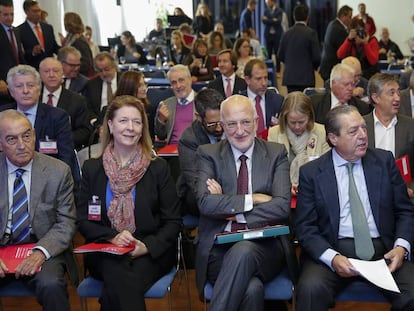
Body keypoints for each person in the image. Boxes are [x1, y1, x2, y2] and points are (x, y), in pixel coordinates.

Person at [295, 104, 414, 311]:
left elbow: (405, 211)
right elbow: (305, 227)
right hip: (334, 248)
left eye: (364, 128)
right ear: (333, 138)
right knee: (310, 290)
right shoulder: (312, 173)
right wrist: (332, 258)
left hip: (384, 250)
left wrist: (401, 247)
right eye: (353, 131)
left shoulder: (384, 161)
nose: (362, 136)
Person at [77, 95, 181, 311]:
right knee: (119, 272)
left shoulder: (158, 168)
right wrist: (112, 237)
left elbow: (173, 221)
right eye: (123, 121)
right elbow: (83, 221)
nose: (131, 128)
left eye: (137, 122)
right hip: (106, 250)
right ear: (110, 125)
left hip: (150, 251)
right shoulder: (92, 169)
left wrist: (146, 246)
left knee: (119, 285)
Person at [195, 94, 295, 311]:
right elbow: (205, 203)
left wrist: (231, 207)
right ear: (222, 125)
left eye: (245, 122)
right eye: (231, 124)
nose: (239, 131)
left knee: (243, 250)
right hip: (219, 249)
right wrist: (254, 199)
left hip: (266, 247)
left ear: (257, 121)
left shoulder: (276, 153)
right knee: (251, 289)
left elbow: (281, 207)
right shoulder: (208, 155)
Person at [0, 109, 78, 311]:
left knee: (51, 285)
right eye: (11, 139)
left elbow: (66, 222)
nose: (21, 145)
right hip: (2, 249)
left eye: (26, 136)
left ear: (34, 135)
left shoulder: (58, 171)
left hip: (41, 245)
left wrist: (40, 253)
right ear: (0, 144)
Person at [1, 64, 77, 181]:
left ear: (39, 89)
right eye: (19, 86)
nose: (25, 91)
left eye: (30, 85)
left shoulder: (57, 116)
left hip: (47, 178)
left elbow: (66, 157)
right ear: (11, 91)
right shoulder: (2, 115)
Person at [268, 92, 330, 195]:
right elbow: (271, 170)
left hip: (315, 192)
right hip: (283, 192)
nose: (297, 126)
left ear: (309, 116)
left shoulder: (322, 132)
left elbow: (325, 169)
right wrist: (287, 187)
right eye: (292, 122)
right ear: (285, 118)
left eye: (301, 122)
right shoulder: (274, 133)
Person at [364, 73, 414, 197]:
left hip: (404, 197)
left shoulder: (410, 126)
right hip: (368, 195)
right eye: (391, 93)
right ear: (376, 98)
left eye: (398, 92)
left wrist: (411, 189)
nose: (397, 98)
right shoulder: (361, 126)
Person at [178, 88, 224, 216]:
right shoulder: (188, 139)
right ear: (198, 117)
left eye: (221, 121)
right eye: (212, 124)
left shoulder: (231, 127)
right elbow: (196, 183)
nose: (220, 128)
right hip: (199, 194)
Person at [38, 57, 90, 150]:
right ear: (40, 75)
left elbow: (84, 131)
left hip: (66, 150)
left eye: (56, 71)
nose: (51, 75)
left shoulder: (77, 100)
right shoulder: (33, 98)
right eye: (46, 71)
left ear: (62, 74)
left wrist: (61, 141)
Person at [278, 4, 320, 93]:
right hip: (306, 77)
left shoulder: (286, 33)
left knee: (292, 103)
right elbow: (316, 57)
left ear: (294, 17)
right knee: (306, 104)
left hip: (290, 77)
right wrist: (314, 67)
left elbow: (280, 55)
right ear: (308, 17)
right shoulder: (311, 33)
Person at [154, 64, 196, 145]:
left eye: (181, 80)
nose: (178, 86)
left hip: (196, 150)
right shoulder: (166, 104)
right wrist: (161, 120)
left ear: (190, 80)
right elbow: (161, 136)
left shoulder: (202, 101)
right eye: (174, 82)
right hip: (172, 152)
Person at [240, 59, 284, 136]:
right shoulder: (238, 102)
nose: (264, 83)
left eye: (266, 78)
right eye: (258, 79)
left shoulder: (278, 101)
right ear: (247, 80)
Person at [17, 0, 60, 70]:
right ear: (26, 12)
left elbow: (54, 47)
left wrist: (64, 50)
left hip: (50, 68)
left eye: (39, 11)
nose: (38, 14)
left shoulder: (48, 28)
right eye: (34, 11)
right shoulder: (19, 30)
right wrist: (33, 52)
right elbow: (20, 54)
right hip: (33, 69)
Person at [114, 70, 155, 141]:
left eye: (144, 84)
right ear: (129, 87)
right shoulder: (112, 109)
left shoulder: (148, 109)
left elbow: (151, 138)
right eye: (140, 85)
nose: (144, 88)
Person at [0, 0, 25, 106]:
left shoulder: (16, 31)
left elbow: (19, 57)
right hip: (3, 86)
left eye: (12, 14)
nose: (9, 17)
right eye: (5, 14)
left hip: (18, 83)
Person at [85, 52, 120, 126]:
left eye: (107, 69)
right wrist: (95, 123)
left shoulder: (124, 80)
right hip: (100, 122)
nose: (104, 74)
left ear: (114, 66)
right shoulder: (91, 84)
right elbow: (88, 108)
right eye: (100, 71)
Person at [319, 5, 353, 81]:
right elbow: (344, 51)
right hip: (331, 68)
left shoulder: (333, 24)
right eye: (349, 17)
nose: (351, 20)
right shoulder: (339, 29)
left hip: (327, 66)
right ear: (343, 16)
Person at [61, 12, 94, 77]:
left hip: (80, 76)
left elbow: (87, 63)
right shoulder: (70, 38)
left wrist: (72, 66)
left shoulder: (79, 41)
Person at [262, 0, 284, 70]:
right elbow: (263, 21)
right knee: (268, 53)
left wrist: (268, 19)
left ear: (272, 2)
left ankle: (278, 69)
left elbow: (278, 21)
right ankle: (269, 69)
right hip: (268, 35)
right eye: (266, 3)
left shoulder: (279, 10)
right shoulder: (266, 11)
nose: (267, 4)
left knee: (277, 52)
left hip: (277, 35)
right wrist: (273, 20)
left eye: (268, 3)